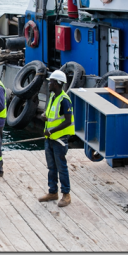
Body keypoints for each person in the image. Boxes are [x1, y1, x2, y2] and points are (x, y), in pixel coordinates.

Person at [38, 70, 75, 207]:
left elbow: (67, 120)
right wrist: (44, 116)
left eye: (51, 81)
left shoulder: (64, 100)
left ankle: (66, 194)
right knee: (51, 167)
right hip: (50, 138)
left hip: (59, 139)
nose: (49, 83)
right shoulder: (54, 97)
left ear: (58, 83)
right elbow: (52, 115)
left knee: (61, 167)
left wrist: (51, 130)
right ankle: (52, 192)